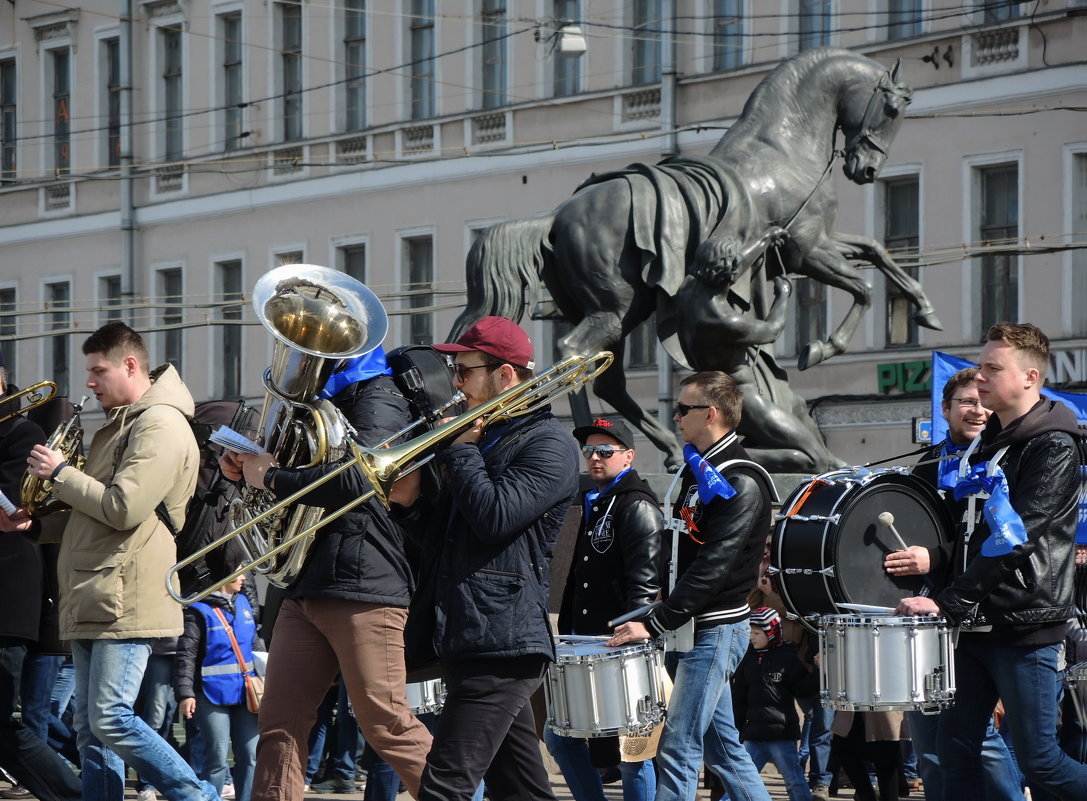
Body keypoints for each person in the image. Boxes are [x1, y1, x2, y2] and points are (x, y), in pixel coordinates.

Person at [9, 322, 214, 801]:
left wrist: (59, 474)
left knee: (109, 717)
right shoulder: (121, 423)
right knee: (89, 730)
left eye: (98, 370)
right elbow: (93, 514)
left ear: (129, 365)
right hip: (96, 590)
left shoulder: (160, 422)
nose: (90, 382)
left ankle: (197, 795)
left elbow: (124, 508)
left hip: (125, 594)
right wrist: (35, 525)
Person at [221, 346, 432, 801]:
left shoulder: (380, 395)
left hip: (363, 584)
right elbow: (298, 478)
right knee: (280, 721)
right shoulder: (316, 400)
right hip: (307, 582)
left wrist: (273, 479)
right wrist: (246, 473)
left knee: (387, 723)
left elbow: (364, 481)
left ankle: (459, 795)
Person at [893, 322, 1087, 801]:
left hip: (1025, 626)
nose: (979, 378)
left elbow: (1013, 539)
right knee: (953, 753)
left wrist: (946, 603)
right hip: (974, 625)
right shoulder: (992, 442)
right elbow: (974, 534)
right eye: (980, 367)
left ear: (1030, 378)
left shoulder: (1053, 446)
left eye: (992, 369)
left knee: (1041, 763)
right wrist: (936, 561)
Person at [393, 316, 580, 801]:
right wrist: (410, 504)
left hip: (503, 642)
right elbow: (448, 539)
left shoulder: (549, 444)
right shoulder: (483, 437)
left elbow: (495, 517)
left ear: (505, 376)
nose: (456, 384)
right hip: (472, 633)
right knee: (520, 790)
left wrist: (459, 452)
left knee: (443, 786)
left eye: (464, 371)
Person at [609, 370, 777, 801]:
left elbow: (714, 567)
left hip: (717, 628)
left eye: (684, 409)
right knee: (723, 752)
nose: (676, 416)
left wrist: (656, 622)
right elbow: (682, 554)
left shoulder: (740, 478)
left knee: (678, 745)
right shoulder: (699, 469)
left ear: (713, 414)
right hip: (695, 626)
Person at [886, 366, 1022, 801]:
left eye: (982, 401)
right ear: (945, 409)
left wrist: (937, 557)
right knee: (928, 742)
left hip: (984, 615)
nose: (977, 409)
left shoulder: (1005, 458)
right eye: (966, 401)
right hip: (927, 616)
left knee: (980, 737)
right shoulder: (927, 464)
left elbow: (1001, 538)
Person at [546, 416, 662, 801]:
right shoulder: (594, 500)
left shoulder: (636, 505)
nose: (594, 458)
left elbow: (644, 584)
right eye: (589, 451)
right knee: (559, 736)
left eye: (605, 451)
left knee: (634, 752)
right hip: (585, 642)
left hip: (621, 645)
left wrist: (635, 633)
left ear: (627, 456)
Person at [0, 362, 82, 801]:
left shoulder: (22, 433)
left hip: (7, 593)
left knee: (6, 726)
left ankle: (73, 793)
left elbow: (15, 510)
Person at [175, 570, 266, 801]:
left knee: (249, 755)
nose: (244, 578)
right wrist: (186, 693)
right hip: (210, 695)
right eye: (239, 574)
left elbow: (256, 646)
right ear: (223, 578)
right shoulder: (198, 611)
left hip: (246, 695)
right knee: (215, 758)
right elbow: (186, 655)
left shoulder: (244, 603)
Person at [732, 607, 817, 801]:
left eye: (756, 632)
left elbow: (803, 689)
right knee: (740, 782)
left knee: (794, 781)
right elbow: (739, 698)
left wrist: (819, 672)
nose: (751, 637)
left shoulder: (787, 658)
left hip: (781, 735)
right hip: (753, 736)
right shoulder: (747, 658)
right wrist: (737, 730)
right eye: (750, 632)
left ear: (770, 632)